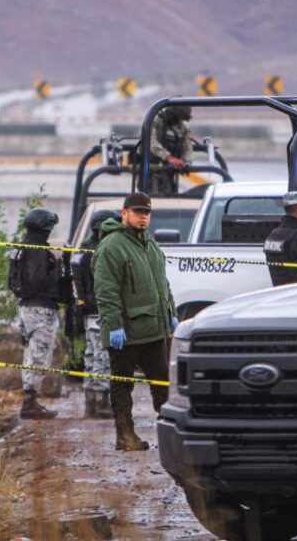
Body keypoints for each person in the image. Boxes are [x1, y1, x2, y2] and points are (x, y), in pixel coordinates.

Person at [92, 192, 178, 451]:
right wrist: (114, 324)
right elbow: (106, 291)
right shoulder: (111, 246)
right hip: (126, 331)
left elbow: (162, 284)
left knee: (163, 382)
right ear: (124, 214)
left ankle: (170, 434)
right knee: (122, 385)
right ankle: (125, 436)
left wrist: (171, 313)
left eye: (146, 213)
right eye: (137, 212)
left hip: (154, 329)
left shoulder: (150, 244)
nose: (143, 217)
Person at [8, 207, 64, 420]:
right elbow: (39, 280)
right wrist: (57, 268)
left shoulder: (21, 248)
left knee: (30, 354)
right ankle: (30, 403)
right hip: (41, 309)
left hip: (25, 308)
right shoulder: (38, 251)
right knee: (40, 354)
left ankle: (30, 401)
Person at [70, 209, 121, 419]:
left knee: (92, 356)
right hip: (101, 311)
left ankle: (91, 402)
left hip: (88, 312)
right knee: (102, 357)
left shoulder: (83, 251)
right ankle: (101, 402)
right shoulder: (100, 252)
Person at [148, 104, 193, 195]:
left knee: (168, 197)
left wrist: (186, 163)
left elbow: (187, 146)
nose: (180, 121)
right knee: (150, 197)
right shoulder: (156, 121)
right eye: (179, 118)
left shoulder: (183, 127)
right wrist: (169, 158)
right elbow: (151, 143)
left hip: (168, 171)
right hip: (150, 169)